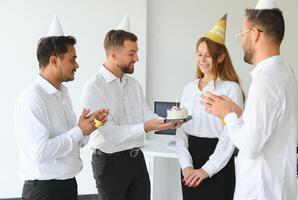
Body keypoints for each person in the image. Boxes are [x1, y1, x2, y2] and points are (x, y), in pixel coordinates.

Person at [201, 0, 298, 199]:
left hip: (261, 191)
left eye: (241, 35)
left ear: (254, 33)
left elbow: (250, 146)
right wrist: (240, 113)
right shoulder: (287, 75)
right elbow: (272, 128)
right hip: (278, 188)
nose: (240, 42)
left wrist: (228, 115)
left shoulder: (265, 81)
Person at [15, 17, 109, 200]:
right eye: (72, 59)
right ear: (54, 60)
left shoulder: (62, 95)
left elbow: (74, 142)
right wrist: (78, 130)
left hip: (66, 186)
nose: (77, 65)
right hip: (45, 192)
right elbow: (40, 152)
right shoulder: (32, 99)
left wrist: (88, 128)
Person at [80, 28, 180, 199]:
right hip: (109, 163)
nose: (137, 58)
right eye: (131, 54)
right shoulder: (94, 88)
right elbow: (110, 134)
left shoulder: (133, 84)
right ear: (113, 55)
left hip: (136, 160)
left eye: (136, 53)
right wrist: (145, 128)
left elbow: (145, 113)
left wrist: (166, 121)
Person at [176, 14, 244, 200]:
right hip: (190, 160)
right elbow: (180, 131)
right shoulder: (188, 89)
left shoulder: (231, 89)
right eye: (199, 54)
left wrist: (207, 170)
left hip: (219, 163)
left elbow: (229, 136)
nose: (203, 60)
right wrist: (186, 166)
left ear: (220, 57)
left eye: (208, 55)